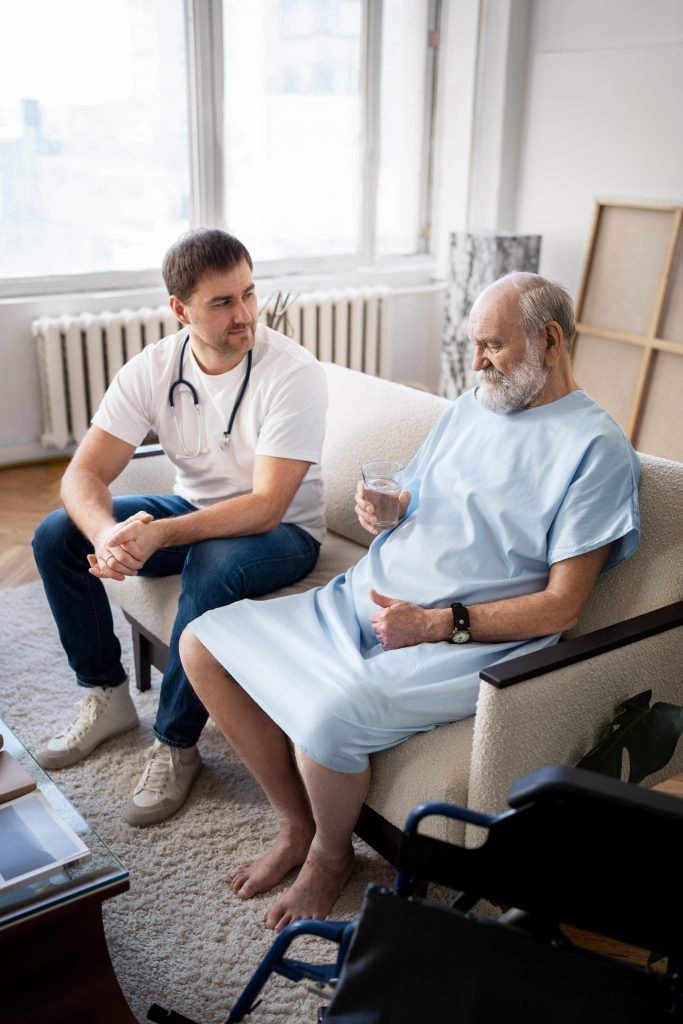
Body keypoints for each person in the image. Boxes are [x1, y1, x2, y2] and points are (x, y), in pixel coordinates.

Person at [179, 271, 641, 933]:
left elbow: (562, 606)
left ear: (549, 340)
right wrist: (387, 512)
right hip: (359, 601)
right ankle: (297, 823)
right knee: (201, 643)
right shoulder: (474, 405)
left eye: (493, 346)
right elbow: (415, 498)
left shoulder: (596, 450)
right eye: (474, 344)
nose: (477, 362)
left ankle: (329, 855)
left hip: (459, 643)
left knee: (326, 724)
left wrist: (433, 624)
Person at [32, 228, 328, 827]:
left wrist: (160, 535)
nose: (245, 313)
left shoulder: (293, 372)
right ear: (180, 308)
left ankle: (176, 743)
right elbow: (83, 473)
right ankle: (106, 695)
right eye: (223, 302)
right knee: (57, 534)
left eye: (248, 293)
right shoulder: (154, 367)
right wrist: (106, 535)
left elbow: (267, 506)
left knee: (212, 562)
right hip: (194, 510)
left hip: (284, 534)